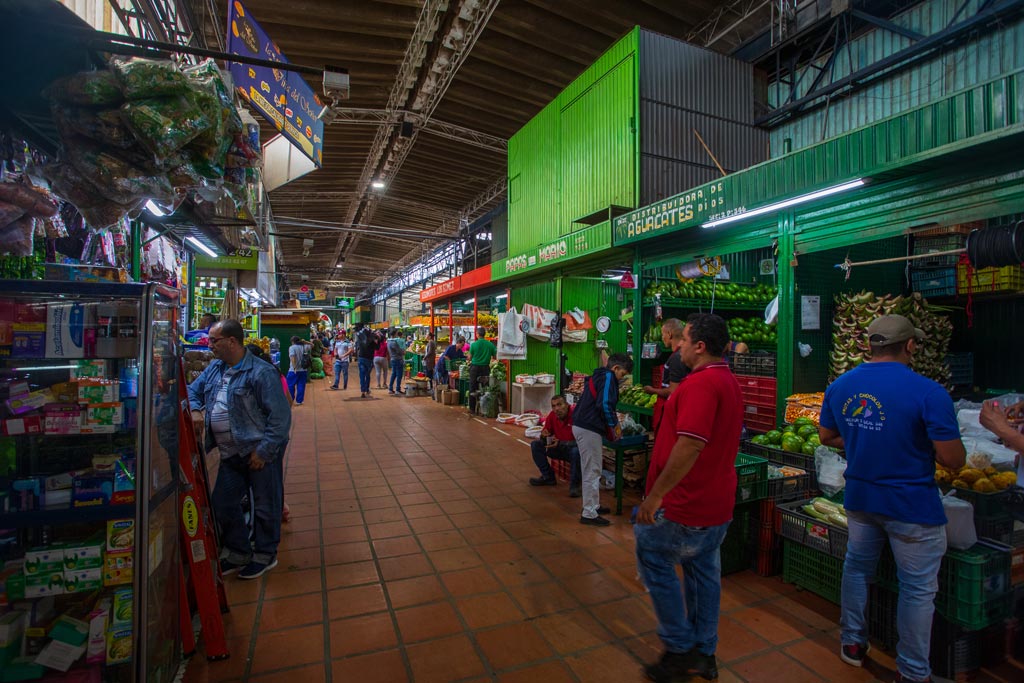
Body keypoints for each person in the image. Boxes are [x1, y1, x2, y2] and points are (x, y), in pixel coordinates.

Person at [818, 314, 965, 683]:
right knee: (916, 590)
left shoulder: (842, 385)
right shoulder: (929, 393)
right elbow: (954, 460)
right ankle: (914, 672)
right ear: (910, 345)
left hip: (861, 498)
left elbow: (825, 436)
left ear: (871, 344)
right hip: (911, 506)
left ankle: (852, 643)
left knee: (856, 568)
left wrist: (865, 443)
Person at [635, 313, 744, 683]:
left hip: (685, 505)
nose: (676, 345)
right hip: (715, 505)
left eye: (681, 339)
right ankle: (704, 652)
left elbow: (691, 443)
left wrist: (655, 496)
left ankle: (679, 648)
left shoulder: (701, 384)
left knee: (654, 558)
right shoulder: (727, 380)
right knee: (703, 576)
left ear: (698, 346)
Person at [188, 320, 291, 580]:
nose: (209, 344)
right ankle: (238, 551)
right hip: (230, 453)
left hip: (257, 450)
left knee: (266, 505)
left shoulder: (261, 372)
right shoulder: (214, 369)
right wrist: (197, 409)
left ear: (232, 341)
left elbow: (280, 417)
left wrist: (265, 450)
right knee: (222, 502)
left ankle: (265, 554)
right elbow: (192, 391)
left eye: (214, 340)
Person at [572, 352, 633, 526]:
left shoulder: (599, 375)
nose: (622, 379)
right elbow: (605, 404)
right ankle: (589, 513)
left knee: (592, 468)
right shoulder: (607, 377)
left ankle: (593, 505)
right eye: (622, 374)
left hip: (583, 425)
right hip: (588, 427)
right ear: (615, 368)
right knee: (593, 470)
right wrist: (615, 427)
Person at [528, 394, 582, 496]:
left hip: (573, 450)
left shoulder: (576, 415)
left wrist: (562, 442)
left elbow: (583, 441)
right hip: (558, 448)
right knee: (536, 445)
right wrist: (544, 437)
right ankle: (548, 477)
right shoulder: (552, 416)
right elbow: (545, 435)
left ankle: (575, 486)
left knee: (576, 452)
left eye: (559, 405)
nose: (556, 409)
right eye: (553, 406)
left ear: (566, 405)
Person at [642, 318, 689, 431]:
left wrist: (652, 390)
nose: (662, 338)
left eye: (663, 334)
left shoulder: (676, 358)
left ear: (669, 334)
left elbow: (673, 391)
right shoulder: (680, 355)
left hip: (672, 410)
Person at [467, 327, 496, 413]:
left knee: (472, 387)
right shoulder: (490, 345)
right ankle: (485, 408)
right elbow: (494, 356)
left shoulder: (474, 345)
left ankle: (472, 408)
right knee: (485, 388)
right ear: (484, 334)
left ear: (477, 334)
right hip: (485, 368)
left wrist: (468, 358)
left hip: (474, 368)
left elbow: (469, 358)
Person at [285, 336, 310, 405]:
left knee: (290, 385)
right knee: (301, 385)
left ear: (292, 341)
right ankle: (299, 401)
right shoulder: (304, 346)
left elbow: (292, 357)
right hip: (303, 369)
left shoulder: (292, 347)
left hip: (293, 370)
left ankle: (291, 399)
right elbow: (312, 345)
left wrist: (294, 367)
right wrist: (305, 342)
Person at [354, 324, 376, 398]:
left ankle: (363, 390)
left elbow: (357, 349)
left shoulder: (360, 339)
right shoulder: (372, 341)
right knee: (367, 375)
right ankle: (366, 389)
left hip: (361, 358)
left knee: (362, 375)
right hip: (369, 360)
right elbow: (377, 347)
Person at [387, 330, 407, 395]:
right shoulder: (393, 342)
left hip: (392, 359)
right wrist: (403, 352)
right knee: (399, 375)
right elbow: (399, 351)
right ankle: (397, 390)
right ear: (395, 334)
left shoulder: (388, 342)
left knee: (394, 374)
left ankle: (390, 389)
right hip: (398, 359)